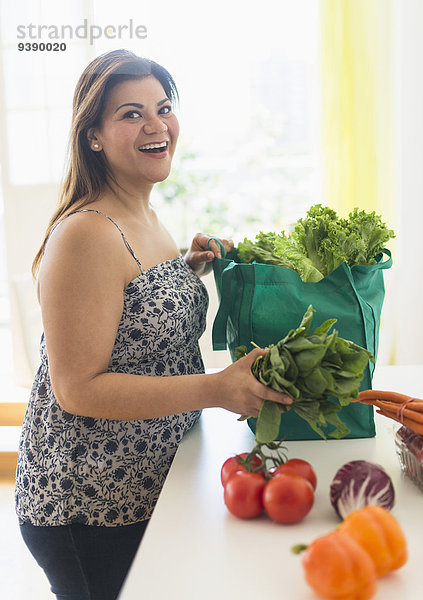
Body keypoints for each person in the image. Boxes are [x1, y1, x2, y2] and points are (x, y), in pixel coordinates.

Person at [14, 49, 292, 600]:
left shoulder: (142, 212)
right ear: (92, 136)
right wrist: (217, 389)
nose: (155, 124)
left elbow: (129, 316)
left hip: (149, 483)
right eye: (130, 114)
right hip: (89, 502)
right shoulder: (86, 233)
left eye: (163, 107)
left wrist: (186, 273)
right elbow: (78, 389)